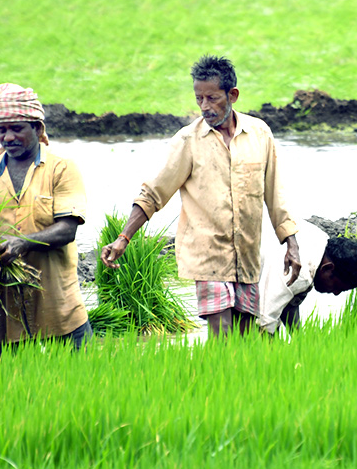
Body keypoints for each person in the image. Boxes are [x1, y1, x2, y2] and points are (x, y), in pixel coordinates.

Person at [100, 55, 301, 337]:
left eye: (212, 98)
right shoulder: (188, 141)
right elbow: (154, 193)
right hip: (207, 255)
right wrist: (123, 239)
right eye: (199, 98)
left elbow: (275, 193)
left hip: (247, 255)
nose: (205, 106)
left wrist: (291, 244)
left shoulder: (260, 135)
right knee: (222, 333)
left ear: (233, 95)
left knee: (246, 337)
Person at [0, 83, 92, 354]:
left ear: (37, 129)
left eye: (17, 128)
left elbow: (67, 230)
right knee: (10, 392)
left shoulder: (61, 169)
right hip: (7, 313)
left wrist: (21, 243)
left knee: (80, 387)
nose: (9, 137)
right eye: (2, 130)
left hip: (59, 309)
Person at [256, 221, 357, 335]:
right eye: (337, 287)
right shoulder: (299, 272)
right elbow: (265, 321)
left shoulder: (320, 240)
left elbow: (290, 304)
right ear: (327, 268)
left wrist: (299, 339)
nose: (336, 293)